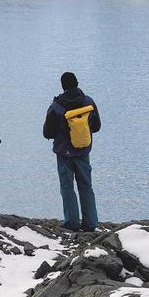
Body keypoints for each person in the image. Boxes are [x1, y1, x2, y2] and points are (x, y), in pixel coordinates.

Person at [43, 72, 101, 231]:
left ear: (63, 86)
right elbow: (96, 127)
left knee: (67, 187)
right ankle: (91, 223)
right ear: (77, 83)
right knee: (86, 186)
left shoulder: (56, 106)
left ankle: (72, 223)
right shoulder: (89, 101)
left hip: (64, 153)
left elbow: (47, 132)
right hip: (83, 151)